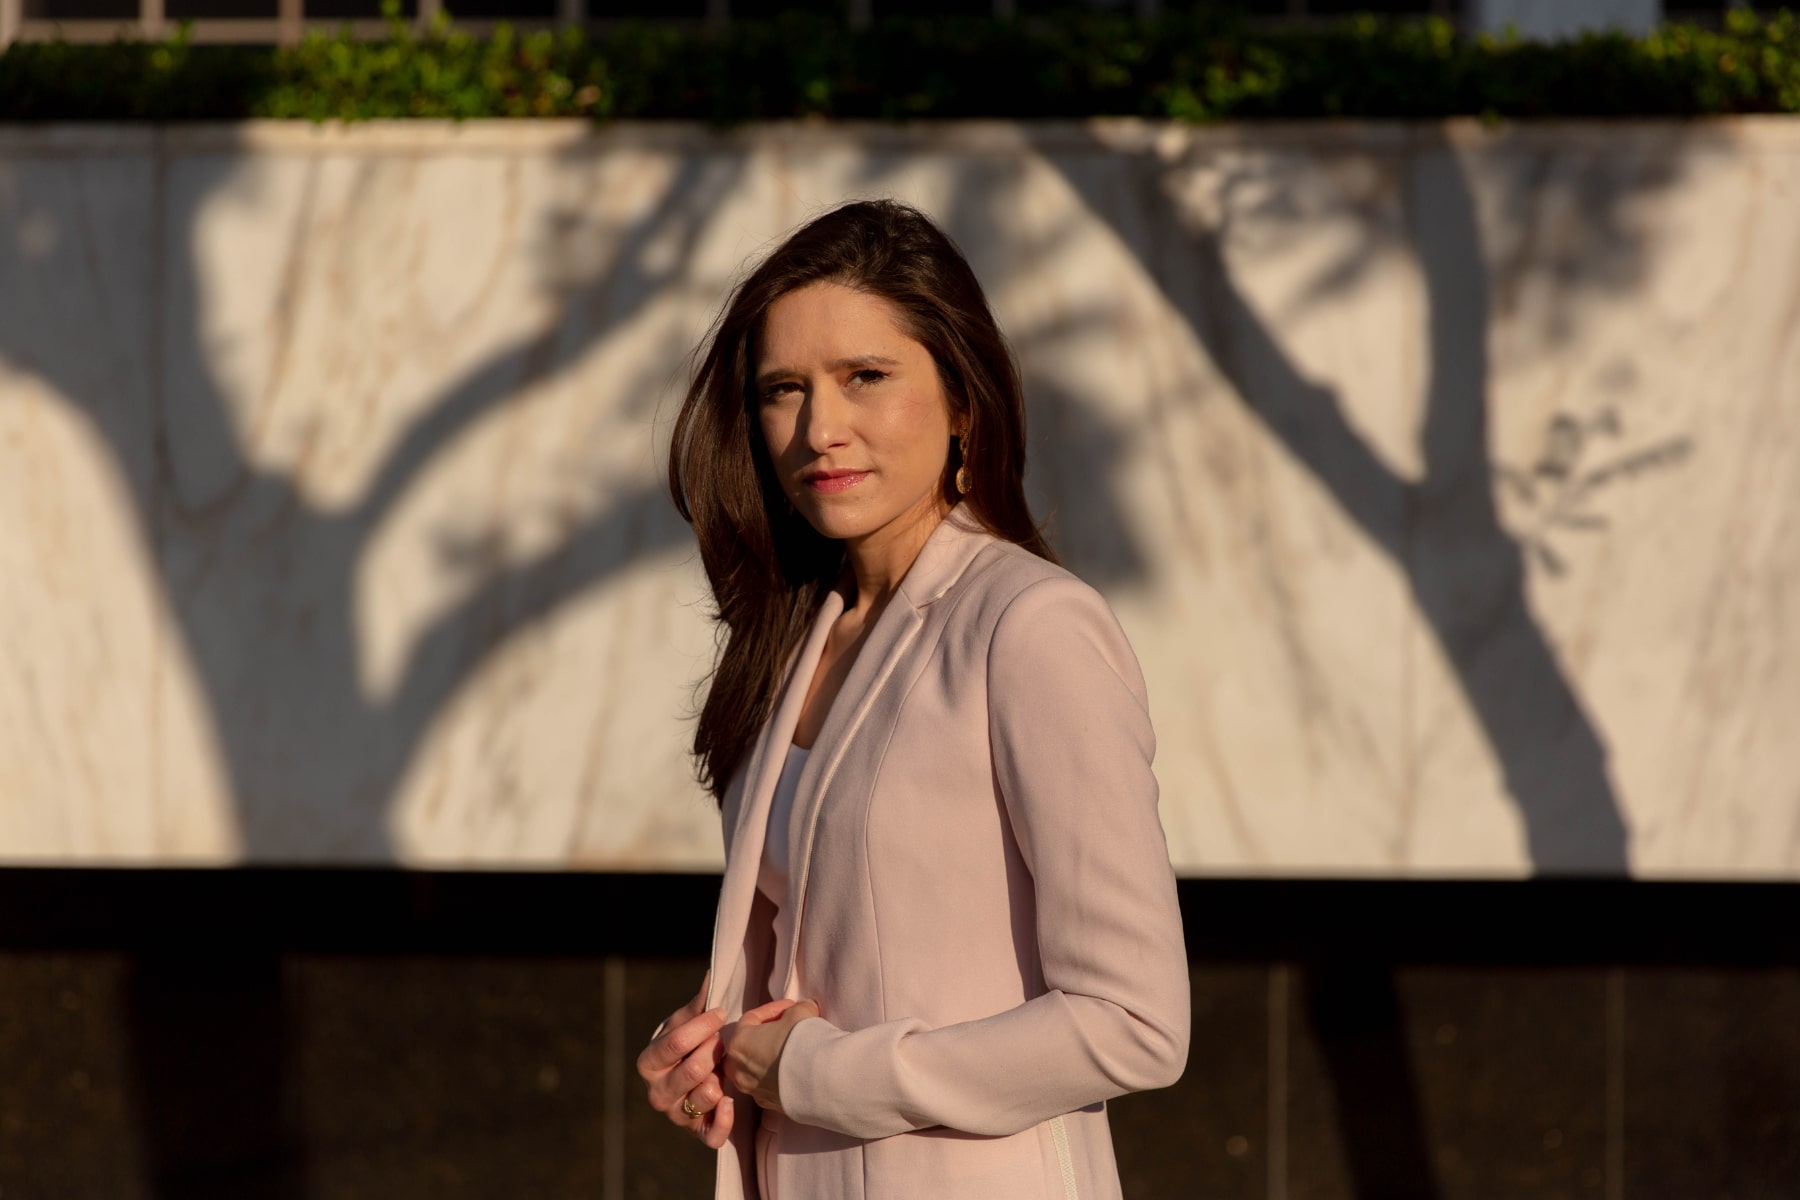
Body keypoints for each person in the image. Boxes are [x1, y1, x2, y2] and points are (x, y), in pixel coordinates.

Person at [638, 198, 1189, 1200]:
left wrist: (816, 1073)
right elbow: (835, 962)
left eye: (867, 378)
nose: (820, 429)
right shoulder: (798, 639)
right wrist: (717, 1052)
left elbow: (1137, 1023)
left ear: (962, 399)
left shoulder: (1029, 627)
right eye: (784, 389)